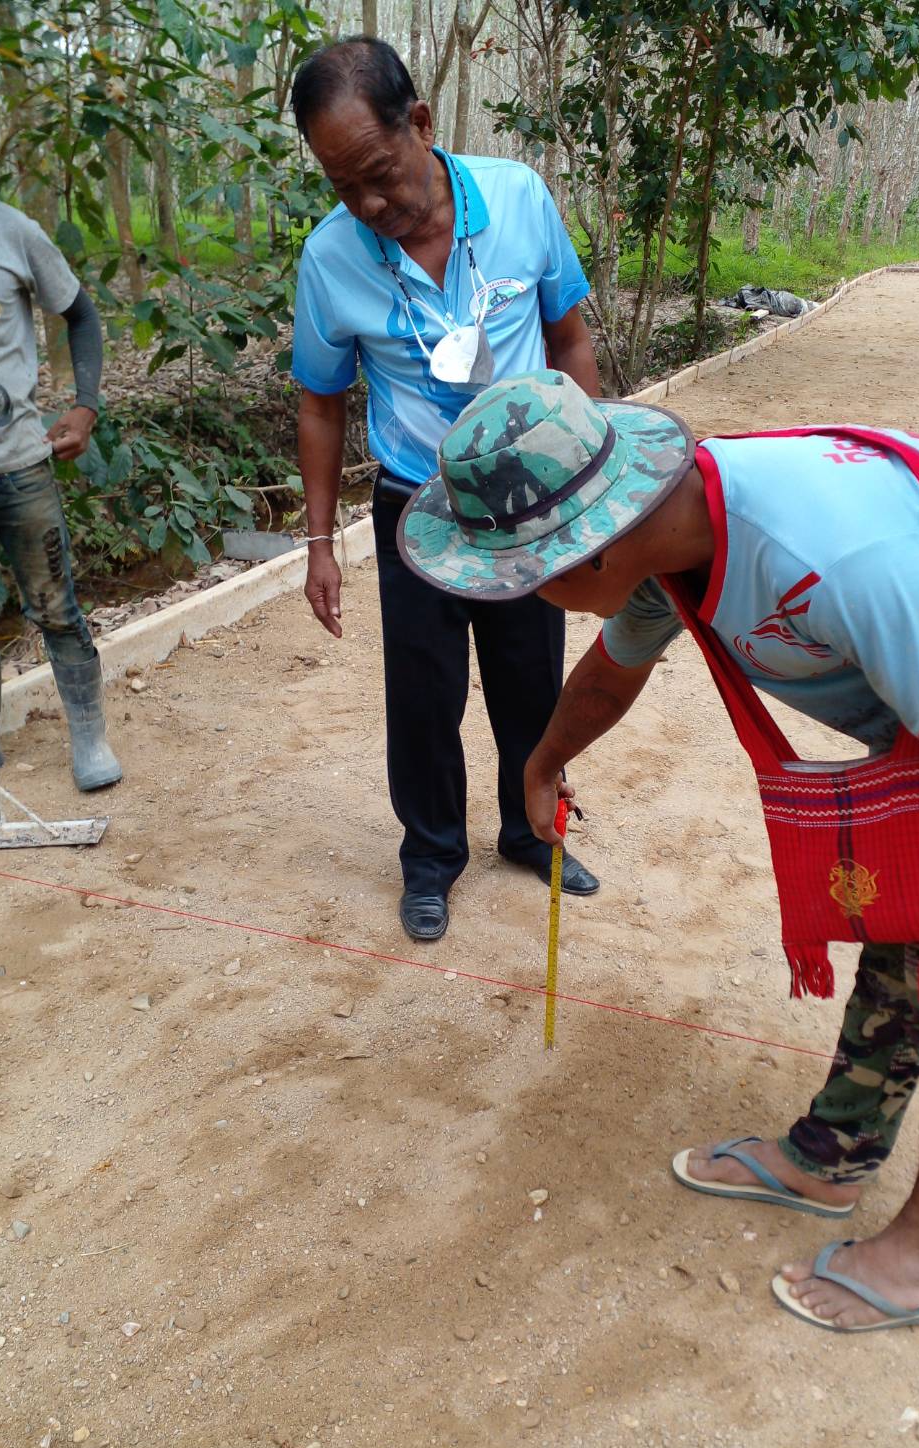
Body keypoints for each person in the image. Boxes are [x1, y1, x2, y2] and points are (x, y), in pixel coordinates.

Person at [398, 367, 919, 1333]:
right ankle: (830, 1159)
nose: (525, 600)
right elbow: (614, 670)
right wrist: (542, 763)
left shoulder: (831, 556)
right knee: (915, 931)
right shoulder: (673, 541)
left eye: (524, 582)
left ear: (589, 555)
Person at [289, 36, 600, 943]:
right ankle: (429, 858)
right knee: (424, 693)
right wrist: (318, 545)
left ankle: (531, 830)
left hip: (527, 497)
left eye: (380, 173)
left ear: (420, 122)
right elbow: (319, 403)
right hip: (417, 505)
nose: (370, 204)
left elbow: (569, 339)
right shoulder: (331, 259)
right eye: (344, 187)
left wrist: (588, 475)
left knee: (531, 676)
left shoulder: (517, 199)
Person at [0, 47, 120, 794]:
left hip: (16, 466)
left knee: (56, 608)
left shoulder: (13, 234)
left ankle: (89, 737)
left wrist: (84, 406)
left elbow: (81, 316)